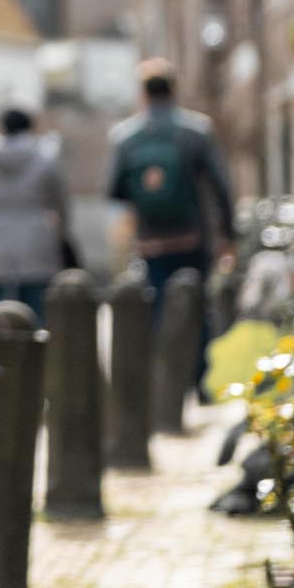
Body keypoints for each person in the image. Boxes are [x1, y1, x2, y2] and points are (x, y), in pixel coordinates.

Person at [108, 60, 236, 378]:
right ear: (173, 90)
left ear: (143, 94)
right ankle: (198, 378)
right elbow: (221, 186)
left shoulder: (125, 136)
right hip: (192, 236)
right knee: (196, 306)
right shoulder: (196, 130)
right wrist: (227, 235)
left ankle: (162, 380)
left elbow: (115, 190)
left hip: (151, 240)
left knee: (156, 305)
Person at [0, 104, 69, 320]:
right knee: (37, 308)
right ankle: (37, 353)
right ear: (31, 127)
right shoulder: (45, 157)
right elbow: (60, 202)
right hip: (36, 237)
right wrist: (62, 232)